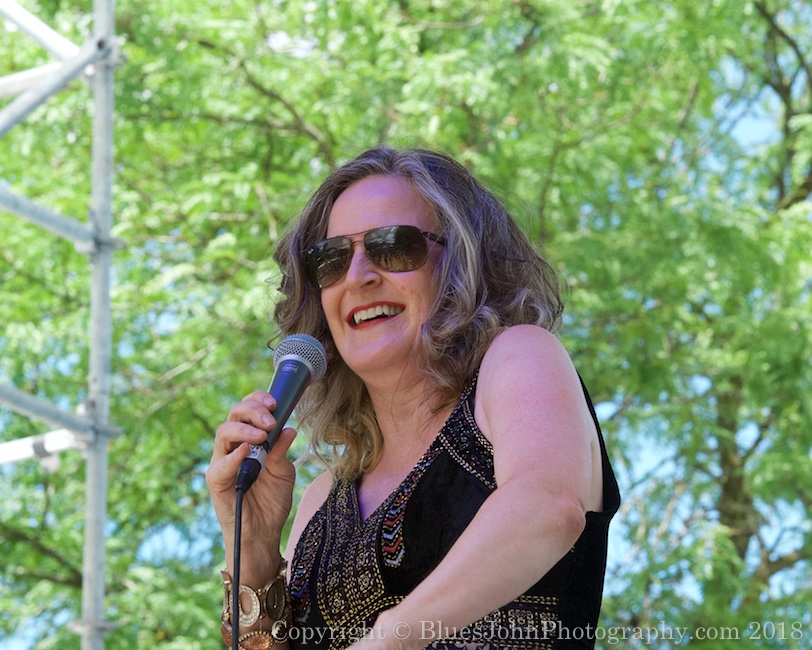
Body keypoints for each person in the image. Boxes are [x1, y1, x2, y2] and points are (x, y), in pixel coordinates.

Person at [206, 146, 620, 649]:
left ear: (463, 262)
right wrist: (250, 545)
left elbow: (548, 507)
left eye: (393, 247)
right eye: (332, 259)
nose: (358, 276)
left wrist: (389, 640)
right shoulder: (321, 502)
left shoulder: (519, 357)